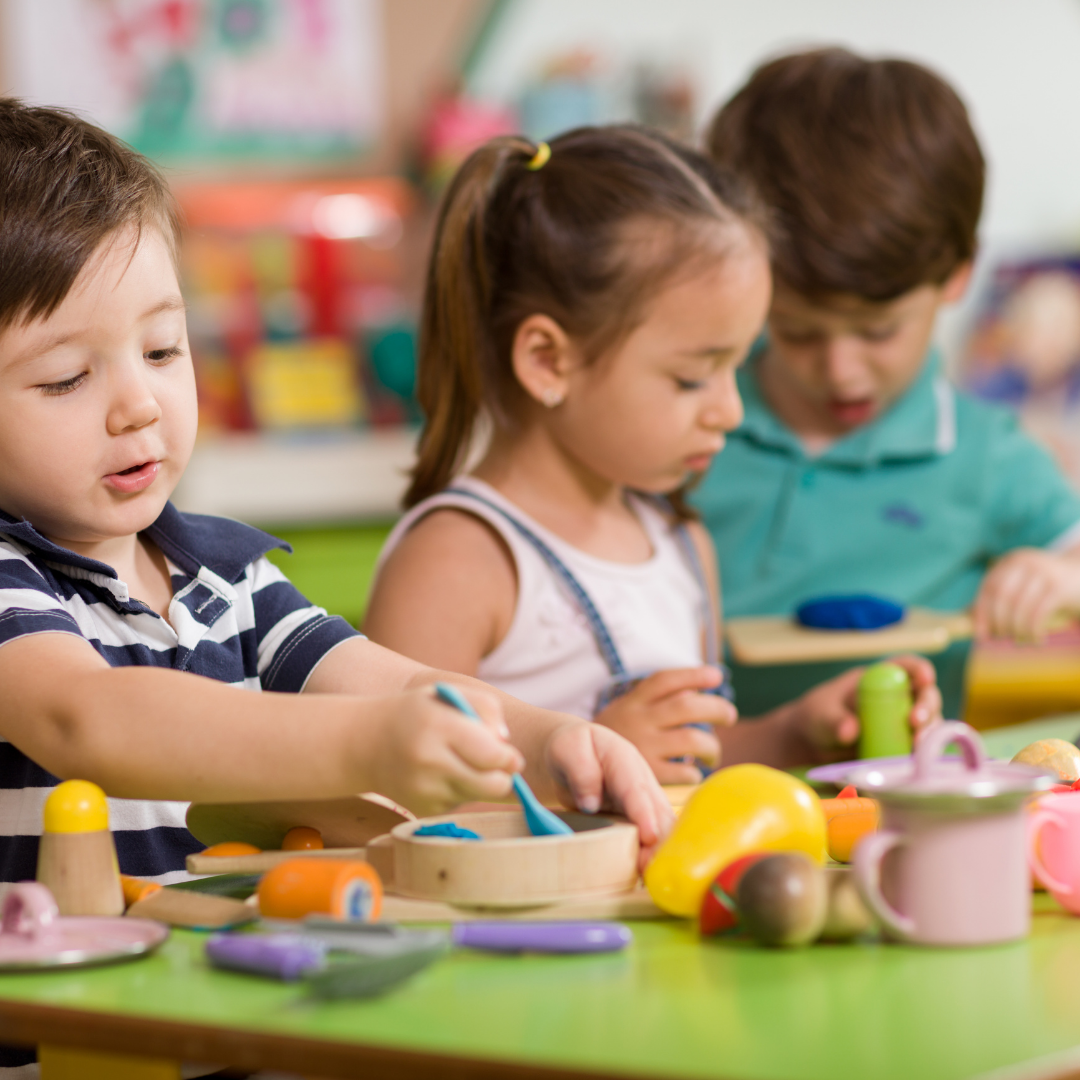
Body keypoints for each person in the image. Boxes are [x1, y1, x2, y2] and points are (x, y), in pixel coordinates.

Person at [0, 100, 669, 903]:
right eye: (66, 377)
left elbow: (394, 685)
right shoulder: (12, 586)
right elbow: (92, 718)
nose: (139, 405)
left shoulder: (225, 578)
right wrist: (368, 746)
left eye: (162, 349)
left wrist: (549, 740)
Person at [364, 126, 940, 784]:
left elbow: (692, 765)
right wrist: (583, 767)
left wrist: (796, 733)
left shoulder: (681, 542)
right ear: (549, 361)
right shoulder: (458, 560)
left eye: (738, 367)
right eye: (693, 378)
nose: (730, 410)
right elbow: (387, 807)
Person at [693, 48, 1080, 720]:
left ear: (958, 274)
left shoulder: (986, 456)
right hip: (685, 804)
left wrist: (1063, 577)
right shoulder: (686, 416)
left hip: (897, 812)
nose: (841, 370)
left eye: (878, 332)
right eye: (798, 330)